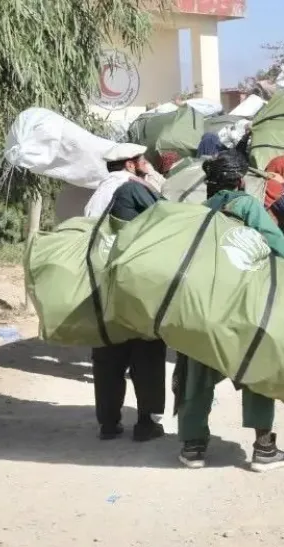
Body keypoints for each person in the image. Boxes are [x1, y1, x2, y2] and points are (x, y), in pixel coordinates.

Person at [176, 150, 284, 471]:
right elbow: (275, 240)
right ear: (239, 180)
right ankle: (263, 449)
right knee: (258, 366)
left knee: (197, 374)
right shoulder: (245, 205)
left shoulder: (201, 212)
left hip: (204, 304)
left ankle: (193, 447)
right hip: (242, 303)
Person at [82, 143, 168, 442]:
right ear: (131, 164)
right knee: (146, 353)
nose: (146, 164)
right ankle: (146, 423)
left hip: (101, 284)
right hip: (135, 282)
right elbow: (166, 217)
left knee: (108, 355)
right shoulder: (132, 189)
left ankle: (108, 423)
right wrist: (151, 177)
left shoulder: (97, 195)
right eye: (142, 160)